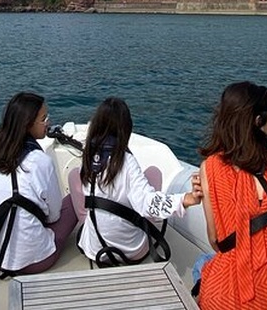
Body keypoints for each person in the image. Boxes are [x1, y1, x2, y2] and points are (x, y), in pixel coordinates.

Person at [195, 81, 267, 310]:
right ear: (259, 121)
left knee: (203, 267)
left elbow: (216, 241)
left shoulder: (210, 168)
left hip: (241, 296)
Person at [76, 97, 202, 265]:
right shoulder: (126, 162)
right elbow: (148, 204)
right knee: (153, 173)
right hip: (128, 250)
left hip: (94, 247)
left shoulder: (89, 155)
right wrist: (187, 198)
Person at [0, 92, 77, 276]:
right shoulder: (41, 161)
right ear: (27, 124)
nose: (48, 121)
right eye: (43, 118)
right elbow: (53, 217)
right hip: (37, 260)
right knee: (74, 200)